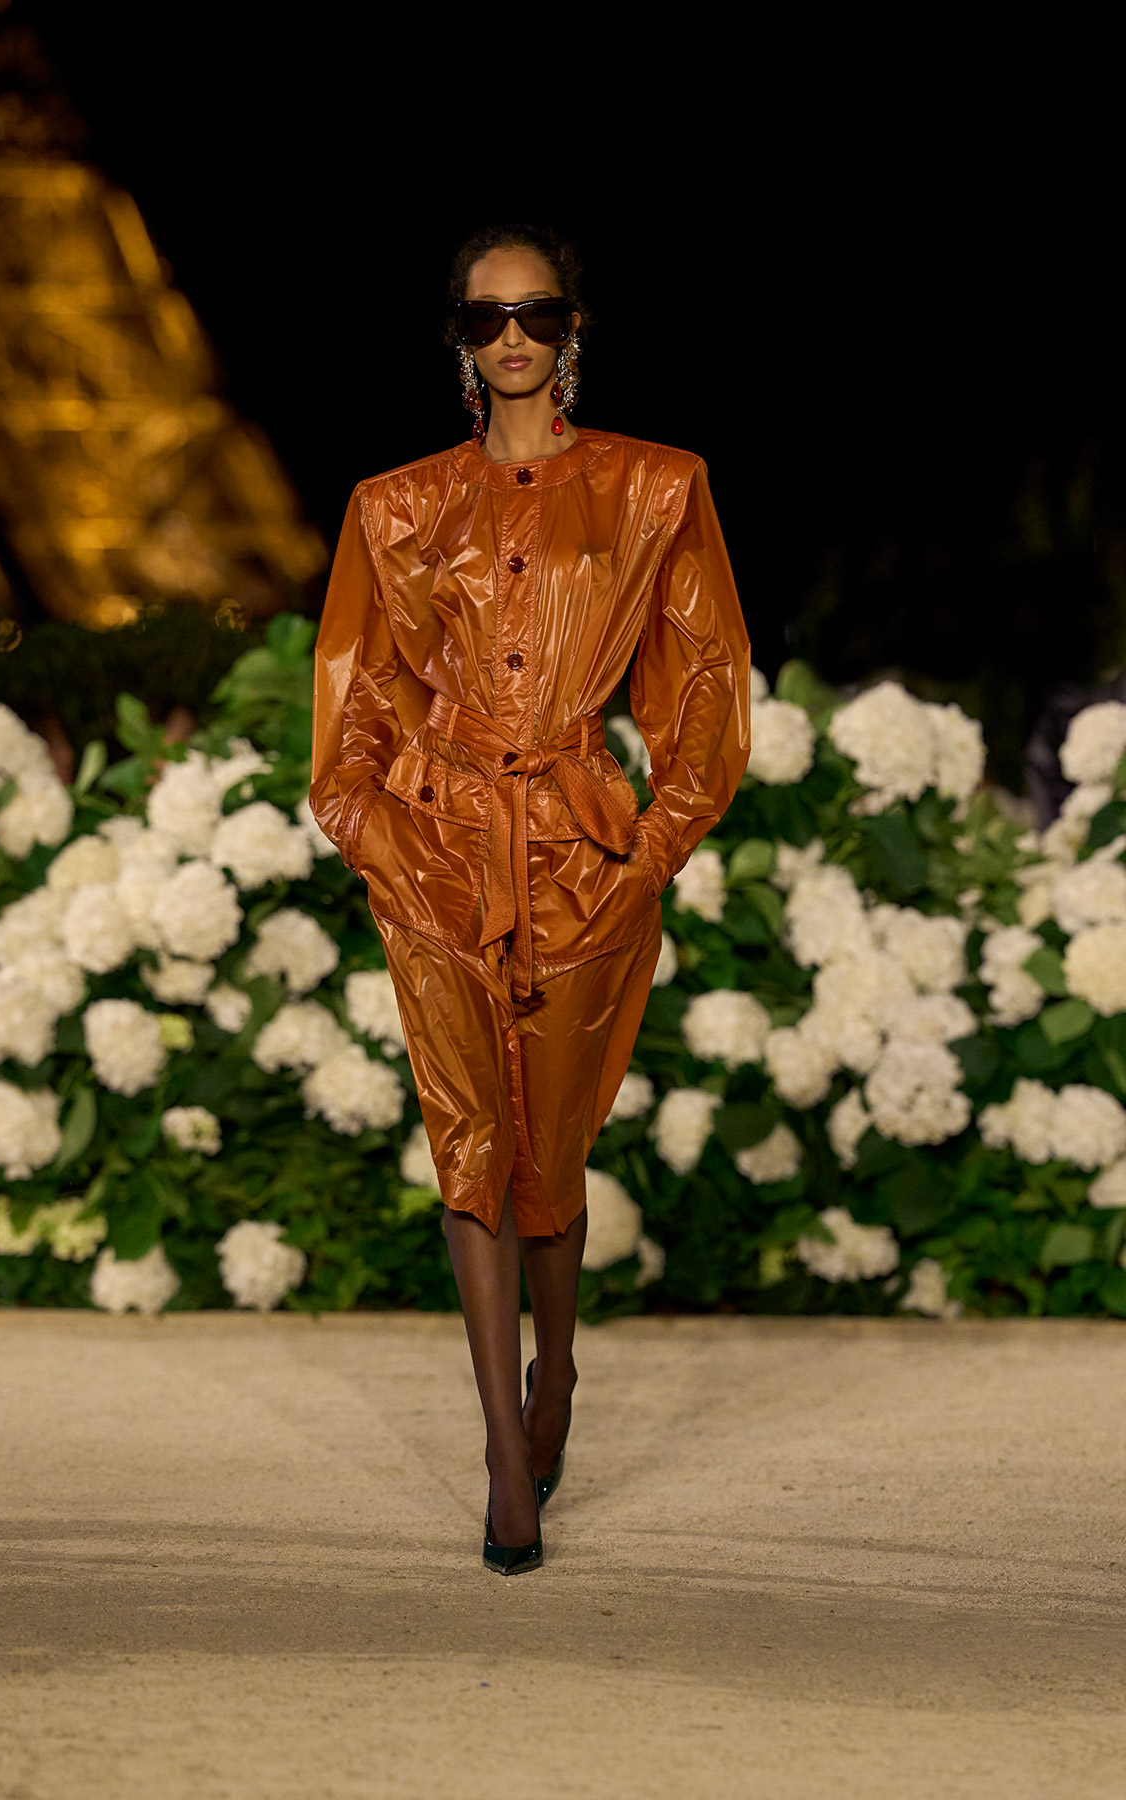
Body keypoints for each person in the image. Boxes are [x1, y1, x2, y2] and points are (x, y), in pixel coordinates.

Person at [309, 223, 750, 1574]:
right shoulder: (393, 507)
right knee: (470, 1143)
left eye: (538, 314)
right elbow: (357, 696)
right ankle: (506, 1451)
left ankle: (556, 1372)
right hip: (436, 849)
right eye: (487, 317)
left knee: (549, 1155)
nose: (513, 338)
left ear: (574, 330)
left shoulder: (657, 488)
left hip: (580, 852)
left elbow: (706, 682)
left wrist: (651, 849)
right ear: (457, 336)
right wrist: (375, 836)